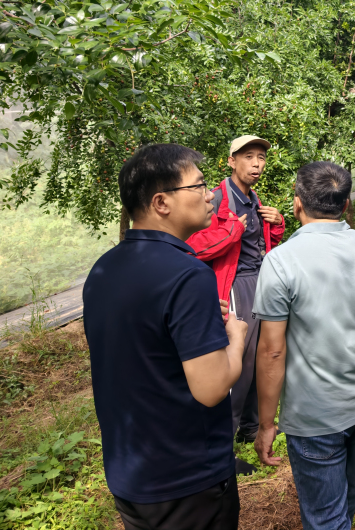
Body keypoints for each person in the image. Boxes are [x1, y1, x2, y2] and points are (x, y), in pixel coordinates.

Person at [84, 144, 247, 530]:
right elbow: (211, 388)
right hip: (188, 480)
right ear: (161, 202)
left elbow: (144, 343)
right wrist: (236, 337)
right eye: (199, 185)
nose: (210, 195)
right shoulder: (188, 275)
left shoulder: (104, 268)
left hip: (131, 475)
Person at [252, 161, 355, 530]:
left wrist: (266, 423)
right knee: (345, 499)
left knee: (326, 518)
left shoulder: (280, 261)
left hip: (313, 414)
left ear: (297, 203)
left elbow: (272, 350)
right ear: (346, 205)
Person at [187, 135, 285, 468]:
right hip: (233, 286)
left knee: (260, 358)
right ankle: (220, 447)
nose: (256, 164)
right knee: (236, 364)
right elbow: (192, 246)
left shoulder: (253, 199)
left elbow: (260, 246)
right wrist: (230, 233)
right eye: (248, 157)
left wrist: (277, 224)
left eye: (261, 157)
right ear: (231, 161)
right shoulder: (216, 199)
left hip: (260, 282)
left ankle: (251, 427)